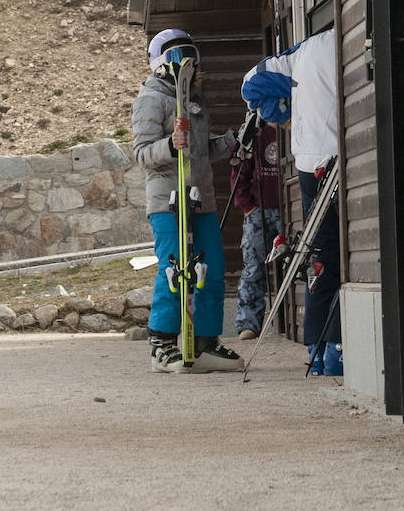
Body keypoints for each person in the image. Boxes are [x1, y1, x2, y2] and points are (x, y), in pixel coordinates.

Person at [131, 28, 243, 373]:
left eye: (191, 58)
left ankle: (205, 341)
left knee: (210, 270)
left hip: (201, 197)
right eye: (180, 58)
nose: (187, 66)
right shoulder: (151, 99)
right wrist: (169, 145)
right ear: (161, 64)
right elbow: (140, 154)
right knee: (175, 269)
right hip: (168, 198)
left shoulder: (193, 99)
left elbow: (202, 151)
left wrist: (234, 140)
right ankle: (162, 344)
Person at [240, 29, 342, 376]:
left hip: (307, 161)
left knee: (321, 255)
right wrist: (284, 114)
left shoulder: (303, 51)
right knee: (349, 253)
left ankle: (319, 350)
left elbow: (251, 83)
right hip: (341, 156)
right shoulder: (353, 37)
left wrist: (283, 115)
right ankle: (337, 349)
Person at [228, 118, 282, 339]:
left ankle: (291, 320)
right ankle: (248, 323)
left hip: (288, 208)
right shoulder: (252, 132)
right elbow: (238, 169)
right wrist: (247, 205)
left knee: (292, 265)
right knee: (254, 267)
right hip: (258, 210)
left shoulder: (292, 126)